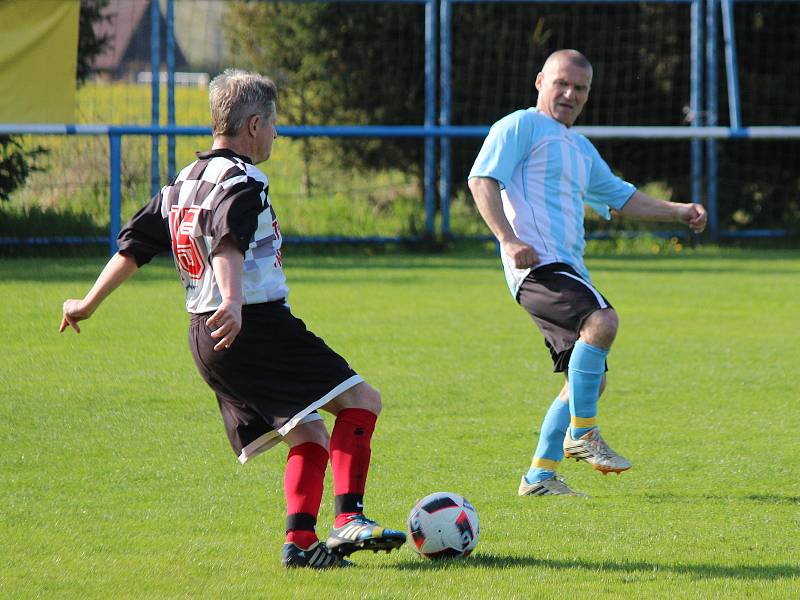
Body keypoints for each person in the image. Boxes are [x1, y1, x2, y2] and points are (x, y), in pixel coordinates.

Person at [60, 69, 406, 568]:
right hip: (250, 325)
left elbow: (133, 246)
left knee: (307, 433)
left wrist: (87, 303)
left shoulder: (183, 182)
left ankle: (301, 544)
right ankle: (348, 519)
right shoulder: (243, 180)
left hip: (205, 336)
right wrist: (234, 301)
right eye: (271, 124)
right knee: (363, 402)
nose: (275, 134)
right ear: (251, 125)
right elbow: (228, 240)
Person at [468, 49, 707, 498]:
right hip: (538, 265)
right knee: (602, 322)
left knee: (589, 379)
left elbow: (621, 196)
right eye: (561, 83)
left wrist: (679, 211)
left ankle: (539, 476)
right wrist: (507, 238)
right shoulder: (520, 125)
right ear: (540, 81)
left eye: (580, 88)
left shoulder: (578, 146)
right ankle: (583, 435)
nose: (569, 94)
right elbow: (482, 179)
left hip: (568, 268)